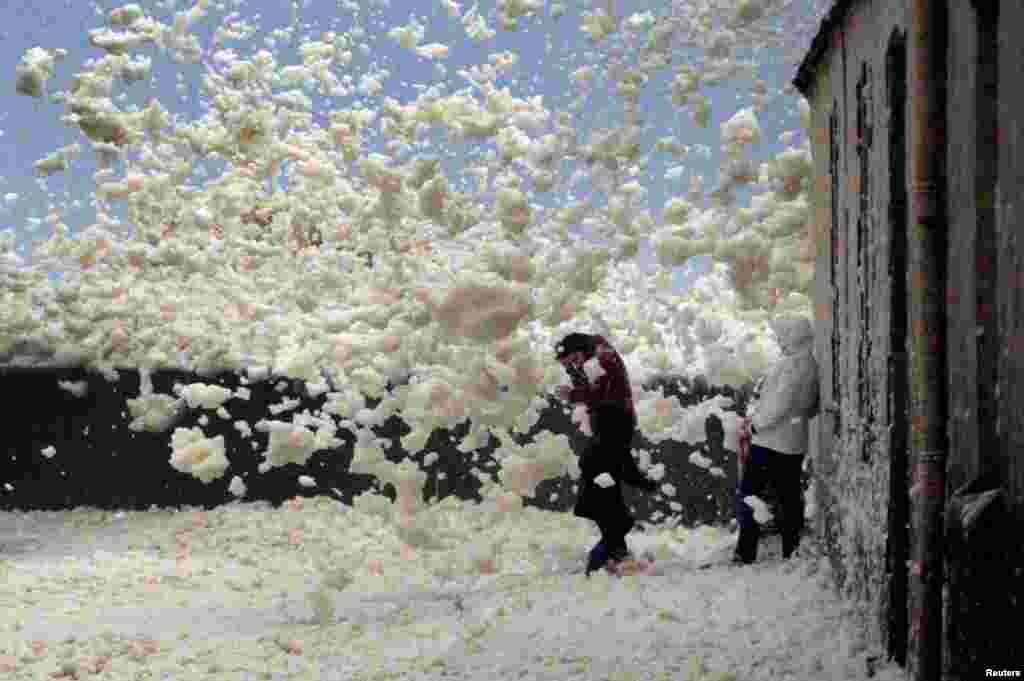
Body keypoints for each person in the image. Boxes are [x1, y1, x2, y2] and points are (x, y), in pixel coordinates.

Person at [734, 316, 820, 565]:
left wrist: (756, 425)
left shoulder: (791, 365)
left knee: (750, 494)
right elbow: (810, 407)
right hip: (794, 444)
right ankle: (791, 552)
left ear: (792, 338)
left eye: (783, 336)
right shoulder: (812, 365)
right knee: (790, 498)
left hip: (770, 442)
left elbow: (780, 403)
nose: (780, 341)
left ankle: (745, 552)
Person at [572, 400, 658, 576]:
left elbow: (586, 463)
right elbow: (630, 473)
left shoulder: (597, 443)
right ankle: (596, 562)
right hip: (601, 499)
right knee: (617, 528)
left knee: (616, 529)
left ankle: (617, 560)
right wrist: (648, 484)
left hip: (595, 497)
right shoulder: (615, 445)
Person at [554, 332, 637, 432]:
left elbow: (602, 390)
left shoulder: (601, 353)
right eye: (571, 363)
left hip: (616, 418)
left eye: (575, 359)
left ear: (580, 348)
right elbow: (585, 391)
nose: (577, 364)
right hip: (604, 419)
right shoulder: (587, 359)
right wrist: (570, 370)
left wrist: (572, 395)